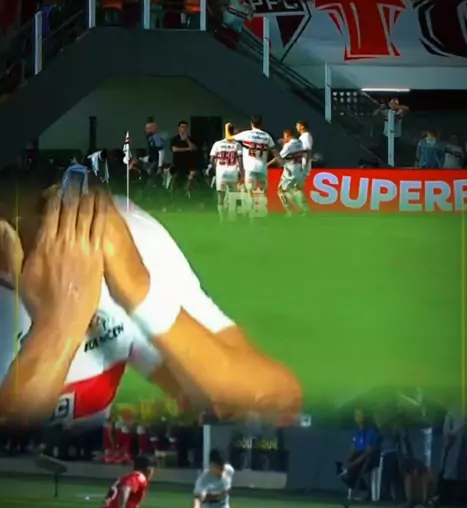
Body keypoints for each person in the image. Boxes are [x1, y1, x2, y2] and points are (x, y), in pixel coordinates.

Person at [0, 170, 302, 431]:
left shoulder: (114, 233)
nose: (74, 250)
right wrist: (58, 329)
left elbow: (277, 400)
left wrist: (139, 289)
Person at [227, 115, 275, 216]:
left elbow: (229, 138)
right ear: (261, 124)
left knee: (250, 191)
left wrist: (227, 128)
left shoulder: (247, 134)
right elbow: (274, 151)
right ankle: (262, 212)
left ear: (251, 123)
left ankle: (252, 211)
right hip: (262, 168)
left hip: (250, 167)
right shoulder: (267, 136)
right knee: (262, 192)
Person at [339, 408, 382, 492]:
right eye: (356, 415)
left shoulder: (372, 430)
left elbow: (369, 451)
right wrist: (349, 461)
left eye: (360, 414)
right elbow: (353, 448)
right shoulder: (358, 432)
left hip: (370, 458)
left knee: (363, 462)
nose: (358, 417)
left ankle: (365, 491)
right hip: (359, 457)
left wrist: (355, 463)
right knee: (345, 470)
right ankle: (362, 489)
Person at [209, 123, 243, 221]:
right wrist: (242, 173)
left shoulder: (217, 144)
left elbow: (212, 159)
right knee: (233, 196)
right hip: (233, 172)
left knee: (221, 197)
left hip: (221, 172)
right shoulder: (237, 145)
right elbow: (240, 160)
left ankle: (222, 219)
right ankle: (232, 218)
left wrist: (215, 169)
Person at [271, 128, 306, 216]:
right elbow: (292, 151)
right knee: (296, 189)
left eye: (284, 136)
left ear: (287, 135)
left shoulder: (288, 146)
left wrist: (268, 163)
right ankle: (305, 210)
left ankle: (291, 211)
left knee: (281, 190)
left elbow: (279, 157)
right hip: (299, 169)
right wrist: (285, 143)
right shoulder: (300, 143)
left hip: (290, 170)